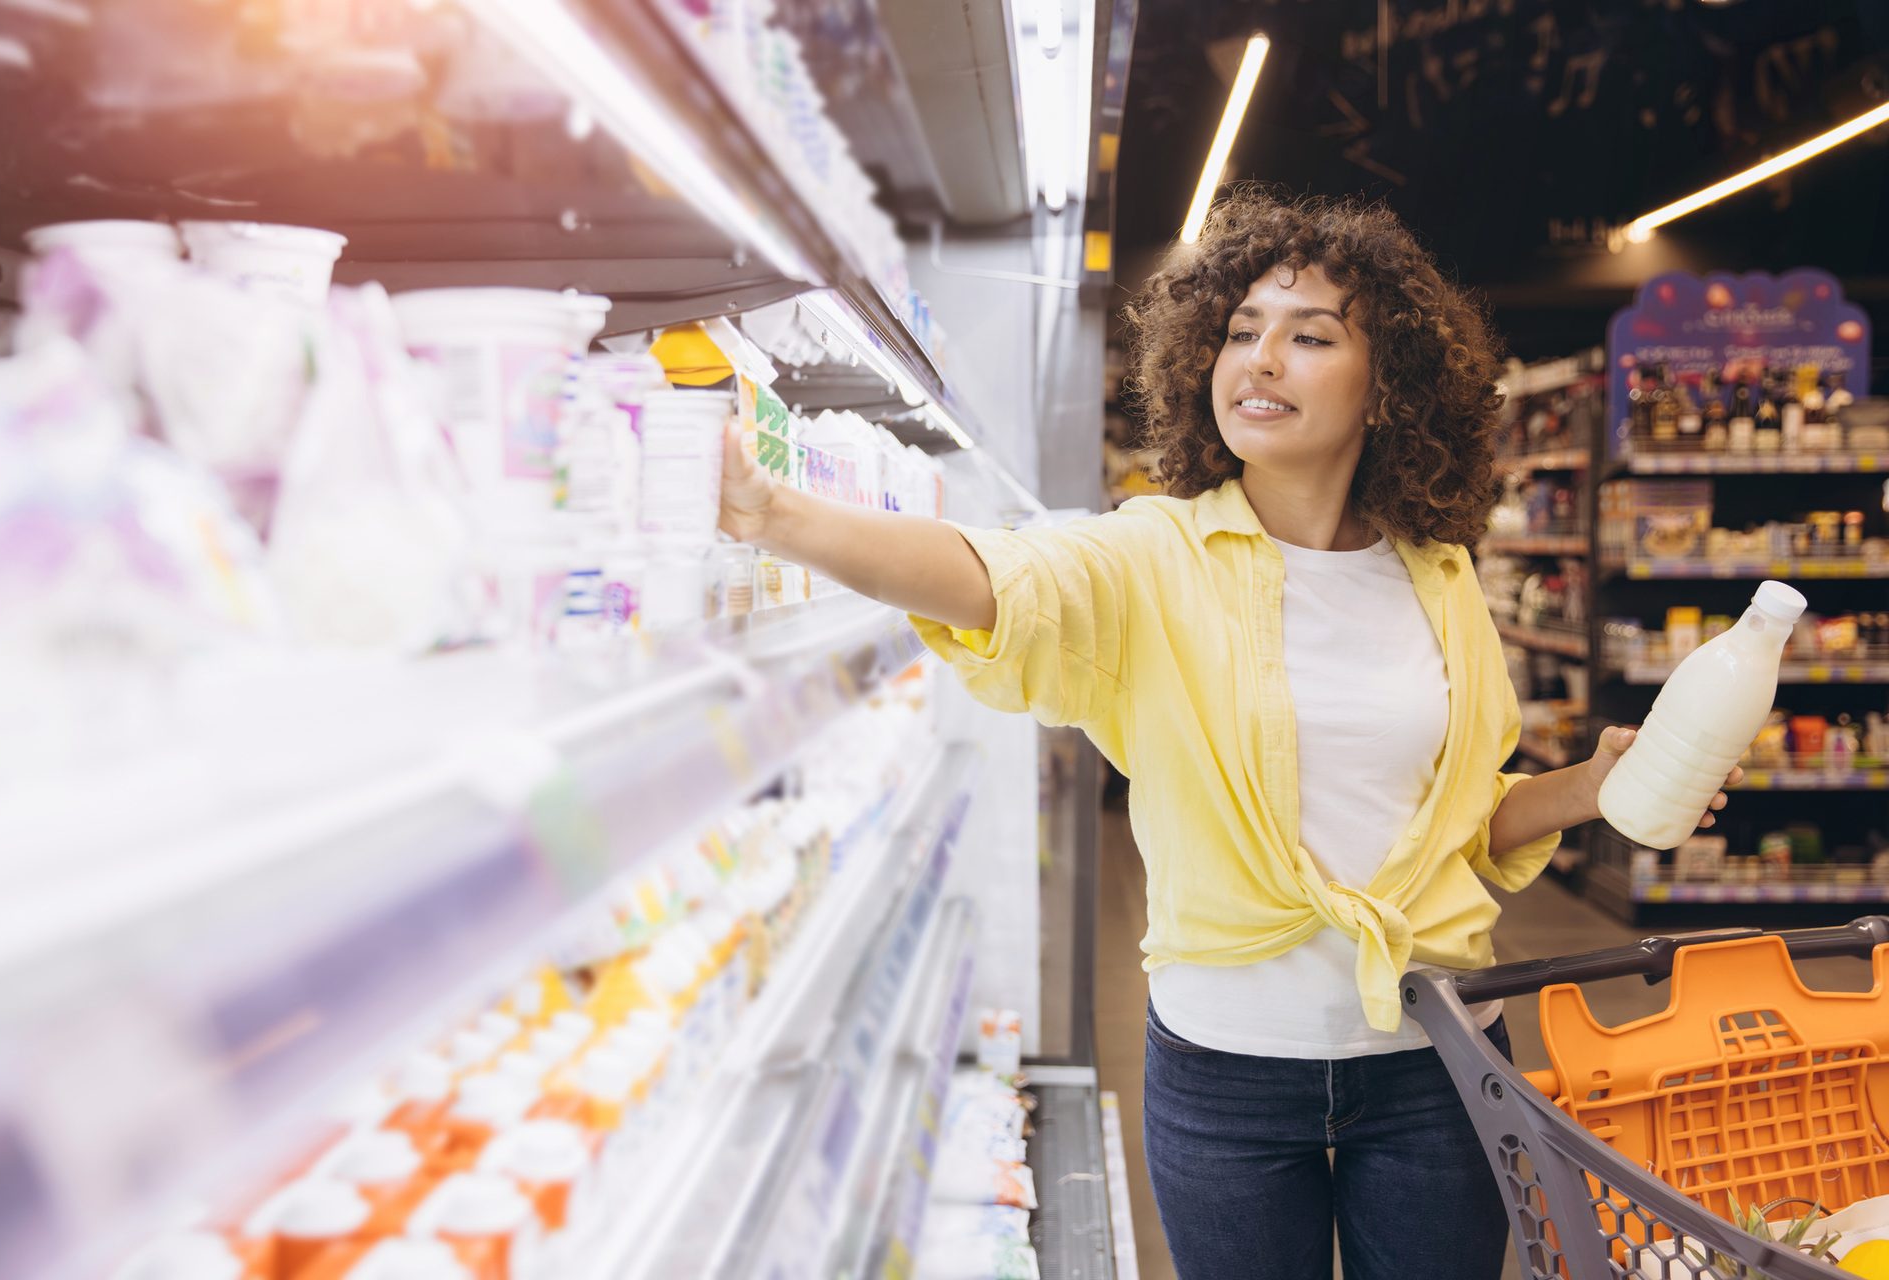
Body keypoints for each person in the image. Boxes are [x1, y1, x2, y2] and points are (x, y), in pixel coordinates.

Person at [715, 187, 1742, 1280]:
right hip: (1227, 1074)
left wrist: (1590, 782)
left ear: (1386, 381)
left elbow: (1461, 820)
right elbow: (995, 577)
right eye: (1241, 332)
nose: (1261, 359)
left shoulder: (1439, 579)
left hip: (1437, 1060)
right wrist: (781, 515)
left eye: (1310, 336)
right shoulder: (1153, 554)